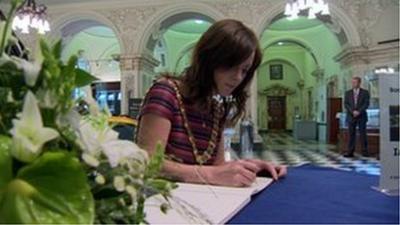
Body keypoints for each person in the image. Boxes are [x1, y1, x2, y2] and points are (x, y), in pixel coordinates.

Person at [136, 19, 286, 187]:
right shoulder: (165, 92)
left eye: (244, 70)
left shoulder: (216, 108)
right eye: (230, 65)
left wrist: (249, 167)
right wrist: (211, 174)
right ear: (210, 58)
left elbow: (218, 167)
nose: (238, 77)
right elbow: (147, 163)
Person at [344, 76, 370, 157]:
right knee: (351, 134)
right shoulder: (348, 93)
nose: (353, 84)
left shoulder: (365, 92)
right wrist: (353, 111)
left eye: (355, 82)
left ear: (359, 83)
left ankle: (364, 151)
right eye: (352, 82)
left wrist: (359, 111)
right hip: (351, 116)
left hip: (361, 116)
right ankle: (350, 152)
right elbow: (346, 104)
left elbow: (366, 104)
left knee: (363, 134)